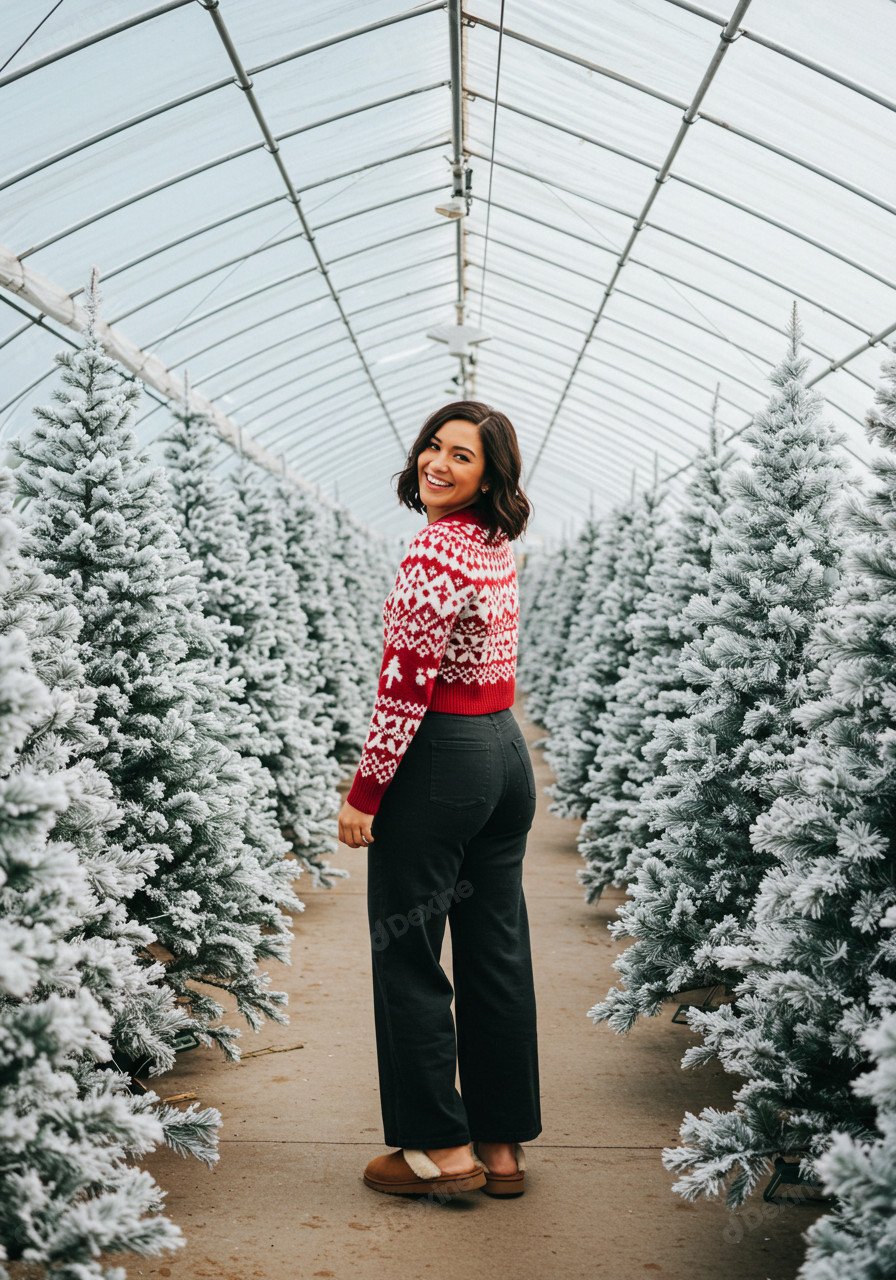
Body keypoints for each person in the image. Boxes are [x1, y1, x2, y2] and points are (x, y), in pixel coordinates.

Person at [338, 400, 542, 1201]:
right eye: (434, 445)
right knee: (495, 950)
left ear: (490, 475)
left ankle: (437, 1149)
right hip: (504, 756)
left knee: (408, 951)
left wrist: (365, 794)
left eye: (463, 456)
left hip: (441, 765)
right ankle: (499, 1148)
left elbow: (405, 687)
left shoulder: (433, 552)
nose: (438, 462)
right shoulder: (493, 543)